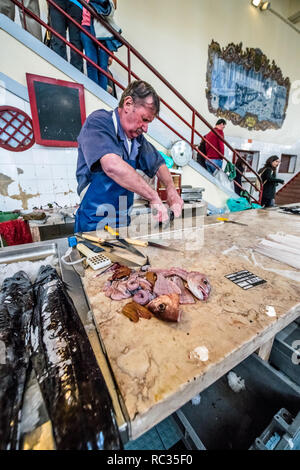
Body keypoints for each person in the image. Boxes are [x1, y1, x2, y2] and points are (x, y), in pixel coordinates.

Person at [74, 80, 184, 232]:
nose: (145, 128)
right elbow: (112, 166)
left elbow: (158, 163)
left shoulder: (136, 140)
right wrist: (153, 197)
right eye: (144, 119)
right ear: (128, 104)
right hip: (94, 223)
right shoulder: (99, 122)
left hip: (122, 223)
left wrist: (171, 189)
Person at [81, 0, 122, 92]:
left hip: (102, 29)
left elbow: (112, 8)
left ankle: (101, 93)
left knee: (103, 66)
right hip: (87, 26)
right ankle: (93, 92)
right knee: (91, 62)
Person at [49, 0, 83, 72]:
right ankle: (59, 73)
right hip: (57, 2)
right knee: (58, 41)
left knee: (76, 44)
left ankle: (76, 76)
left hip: (77, 4)